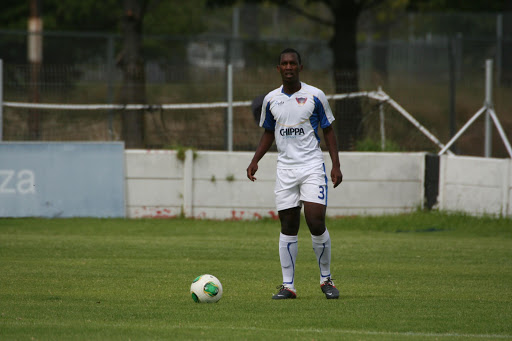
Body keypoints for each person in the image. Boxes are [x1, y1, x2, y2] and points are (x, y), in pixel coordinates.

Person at [246, 48, 343, 300]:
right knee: (288, 225)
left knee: (315, 221)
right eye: (284, 63)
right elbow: (268, 132)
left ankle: (326, 280)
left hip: (311, 167)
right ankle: (288, 286)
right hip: (285, 170)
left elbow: (329, 131)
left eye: (293, 63)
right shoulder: (270, 100)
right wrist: (255, 160)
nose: (288, 67)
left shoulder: (315, 96)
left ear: (300, 67)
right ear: (278, 69)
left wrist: (335, 164)